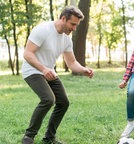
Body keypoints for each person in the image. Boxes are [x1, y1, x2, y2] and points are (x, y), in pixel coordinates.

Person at [21, 6, 94, 144]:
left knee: (63, 102)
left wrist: (83, 69)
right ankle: (28, 136)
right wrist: (43, 69)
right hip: (32, 70)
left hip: (48, 71)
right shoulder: (43, 29)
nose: (74, 28)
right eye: (73, 24)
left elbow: (71, 62)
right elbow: (27, 54)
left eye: (76, 25)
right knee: (48, 99)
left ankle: (49, 138)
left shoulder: (66, 39)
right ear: (63, 18)